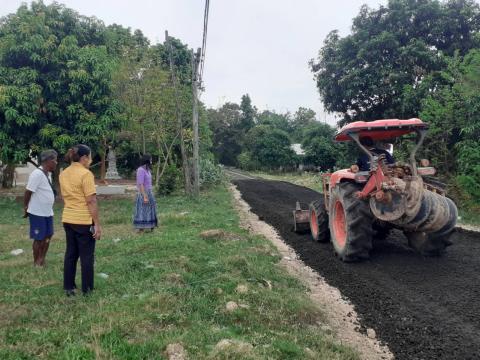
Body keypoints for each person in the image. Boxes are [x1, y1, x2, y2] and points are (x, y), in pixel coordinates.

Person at [59, 144, 101, 296]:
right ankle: (87, 289)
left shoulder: (63, 173)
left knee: (70, 253)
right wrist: (97, 224)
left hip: (68, 218)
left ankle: (69, 287)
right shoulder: (86, 174)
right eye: (89, 157)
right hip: (83, 220)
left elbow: (65, 197)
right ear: (84, 158)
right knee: (87, 256)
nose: (90, 160)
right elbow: (91, 201)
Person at [23, 150, 58, 266]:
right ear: (48, 161)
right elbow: (28, 192)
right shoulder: (37, 174)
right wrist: (26, 207)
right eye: (55, 160)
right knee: (39, 237)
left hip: (48, 212)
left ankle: (42, 259)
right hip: (37, 213)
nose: (56, 163)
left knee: (48, 235)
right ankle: (36, 262)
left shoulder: (48, 174)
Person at [133, 155, 158, 232]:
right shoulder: (140, 170)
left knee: (151, 209)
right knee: (142, 209)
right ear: (147, 160)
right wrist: (144, 196)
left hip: (149, 192)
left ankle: (151, 226)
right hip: (143, 192)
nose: (151, 161)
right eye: (150, 159)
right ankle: (141, 228)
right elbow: (141, 184)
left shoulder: (148, 170)